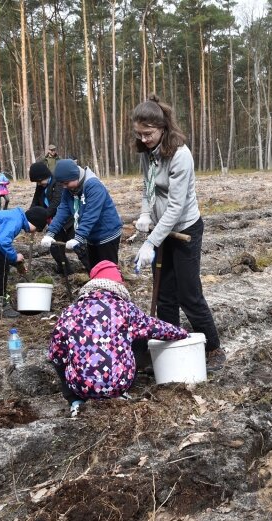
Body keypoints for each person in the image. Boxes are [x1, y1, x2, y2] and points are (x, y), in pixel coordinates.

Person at [131, 94, 224, 371]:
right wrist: (145, 215)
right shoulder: (147, 153)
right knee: (163, 293)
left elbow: (175, 207)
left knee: (188, 293)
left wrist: (150, 242)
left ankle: (213, 347)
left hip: (184, 230)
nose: (144, 139)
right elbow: (147, 187)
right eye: (139, 134)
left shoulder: (180, 155)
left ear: (163, 129)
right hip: (161, 230)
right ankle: (170, 341)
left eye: (148, 134)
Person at [47, 260, 188, 417]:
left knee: (59, 354)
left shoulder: (70, 312)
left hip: (81, 387)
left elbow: (55, 353)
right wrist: (183, 333)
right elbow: (156, 328)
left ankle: (75, 402)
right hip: (118, 384)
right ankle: (121, 393)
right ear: (118, 285)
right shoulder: (126, 309)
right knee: (139, 334)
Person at [39, 159, 122, 273]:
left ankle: (113, 289)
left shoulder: (93, 185)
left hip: (106, 234)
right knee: (94, 270)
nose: (64, 187)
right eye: (62, 184)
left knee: (108, 270)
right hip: (91, 236)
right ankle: (96, 289)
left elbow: (91, 215)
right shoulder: (70, 189)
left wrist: (78, 237)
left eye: (66, 183)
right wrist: (50, 232)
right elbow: (63, 210)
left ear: (75, 176)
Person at [28, 161, 81, 274]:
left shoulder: (58, 182)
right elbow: (35, 202)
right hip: (53, 223)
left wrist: (42, 217)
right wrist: (29, 217)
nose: (39, 184)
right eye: (36, 182)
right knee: (55, 249)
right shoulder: (41, 187)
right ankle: (66, 271)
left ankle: (92, 269)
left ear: (45, 176)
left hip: (68, 222)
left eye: (39, 181)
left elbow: (56, 202)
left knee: (79, 248)